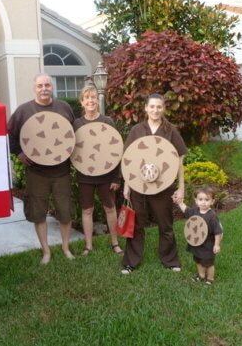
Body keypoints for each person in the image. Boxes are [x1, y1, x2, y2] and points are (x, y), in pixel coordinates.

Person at [8, 73, 75, 264]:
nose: (44, 89)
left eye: (47, 85)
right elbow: (10, 135)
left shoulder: (64, 108)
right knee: (38, 213)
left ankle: (65, 247)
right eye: (40, 86)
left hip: (61, 171)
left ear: (51, 87)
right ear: (34, 88)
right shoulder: (23, 111)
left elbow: (73, 135)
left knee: (65, 211)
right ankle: (46, 251)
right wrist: (20, 153)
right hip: (36, 173)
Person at [121, 93, 187, 274]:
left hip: (163, 188)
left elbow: (179, 161)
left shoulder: (171, 131)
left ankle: (170, 260)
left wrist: (181, 187)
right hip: (138, 187)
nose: (155, 110)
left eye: (159, 107)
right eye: (152, 107)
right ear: (145, 108)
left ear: (163, 109)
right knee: (136, 225)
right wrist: (127, 185)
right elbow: (128, 159)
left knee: (165, 225)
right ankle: (131, 262)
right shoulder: (136, 130)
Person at [72, 85, 123, 255]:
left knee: (110, 208)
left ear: (97, 100)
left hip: (107, 175)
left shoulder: (107, 122)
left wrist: (117, 178)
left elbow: (115, 150)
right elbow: (73, 150)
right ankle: (88, 245)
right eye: (87, 98)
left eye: (93, 97)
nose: (91, 101)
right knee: (87, 210)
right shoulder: (77, 124)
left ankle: (115, 243)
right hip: (85, 175)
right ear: (82, 102)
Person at [175, 186, 223, 285]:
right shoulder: (195, 211)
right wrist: (180, 202)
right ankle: (201, 276)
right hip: (196, 244)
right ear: (196, 200)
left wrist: (217, 244)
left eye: (207, 199)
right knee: (198, 260)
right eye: (200, 199)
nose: (203, 202)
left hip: (208, 246)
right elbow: (186, 210)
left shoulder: (212, 216)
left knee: (208, 263)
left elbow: (218, 232)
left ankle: (210, 279)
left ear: (212, 201)